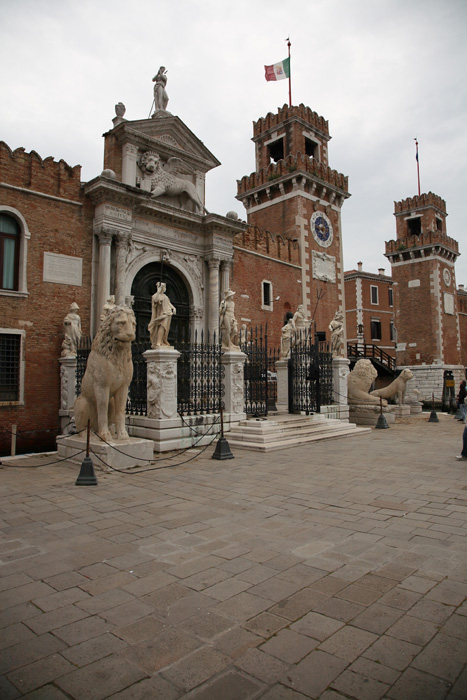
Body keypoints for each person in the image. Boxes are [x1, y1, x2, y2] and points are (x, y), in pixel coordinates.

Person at [148, 282, 176, 348]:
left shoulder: (165, 297)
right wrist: (158, 291)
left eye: (164, 287)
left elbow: (169, 303)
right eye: (163, 287)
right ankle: (158, 342)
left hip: (168, 313)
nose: (164, 288)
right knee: (162, 326)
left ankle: (163, 340)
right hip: (162, 314)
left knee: (166, 328)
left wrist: (173, 308)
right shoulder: (156, 296)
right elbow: (156, 300)